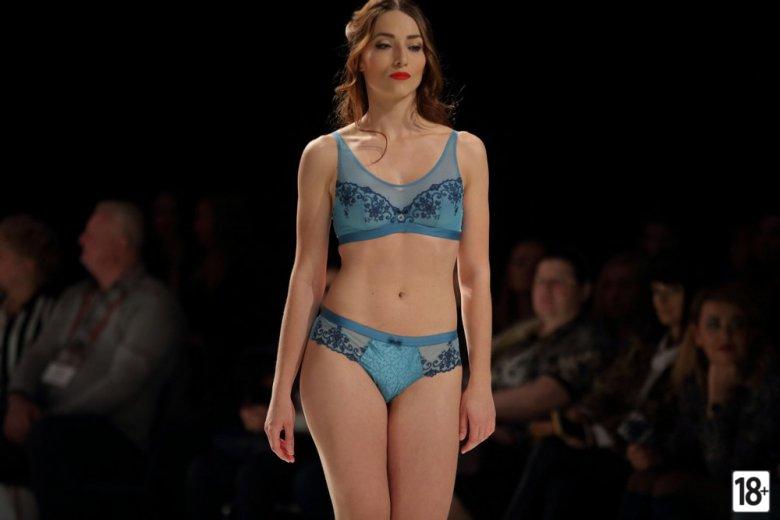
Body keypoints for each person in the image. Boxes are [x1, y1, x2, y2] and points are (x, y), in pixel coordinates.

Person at [264, 1, 494, 518]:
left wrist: (481, 382)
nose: (401, 58)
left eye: (414, 45)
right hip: (344, 348)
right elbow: (306, 277)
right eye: (385, 44)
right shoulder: (324, 154)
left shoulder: (466, 151)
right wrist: (281, 392)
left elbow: (475, 277)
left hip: (436, 359)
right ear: (360, 58)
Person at [3, 200, 185, 519]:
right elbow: (39, 352)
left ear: (120, 243)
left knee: (49, 439)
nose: (81, 240)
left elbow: (122, 382)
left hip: (112, 433)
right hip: (47, 417)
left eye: (91, 233)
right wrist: (19, 398)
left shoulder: (153, 304)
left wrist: (47, 417)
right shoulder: (76, 297)